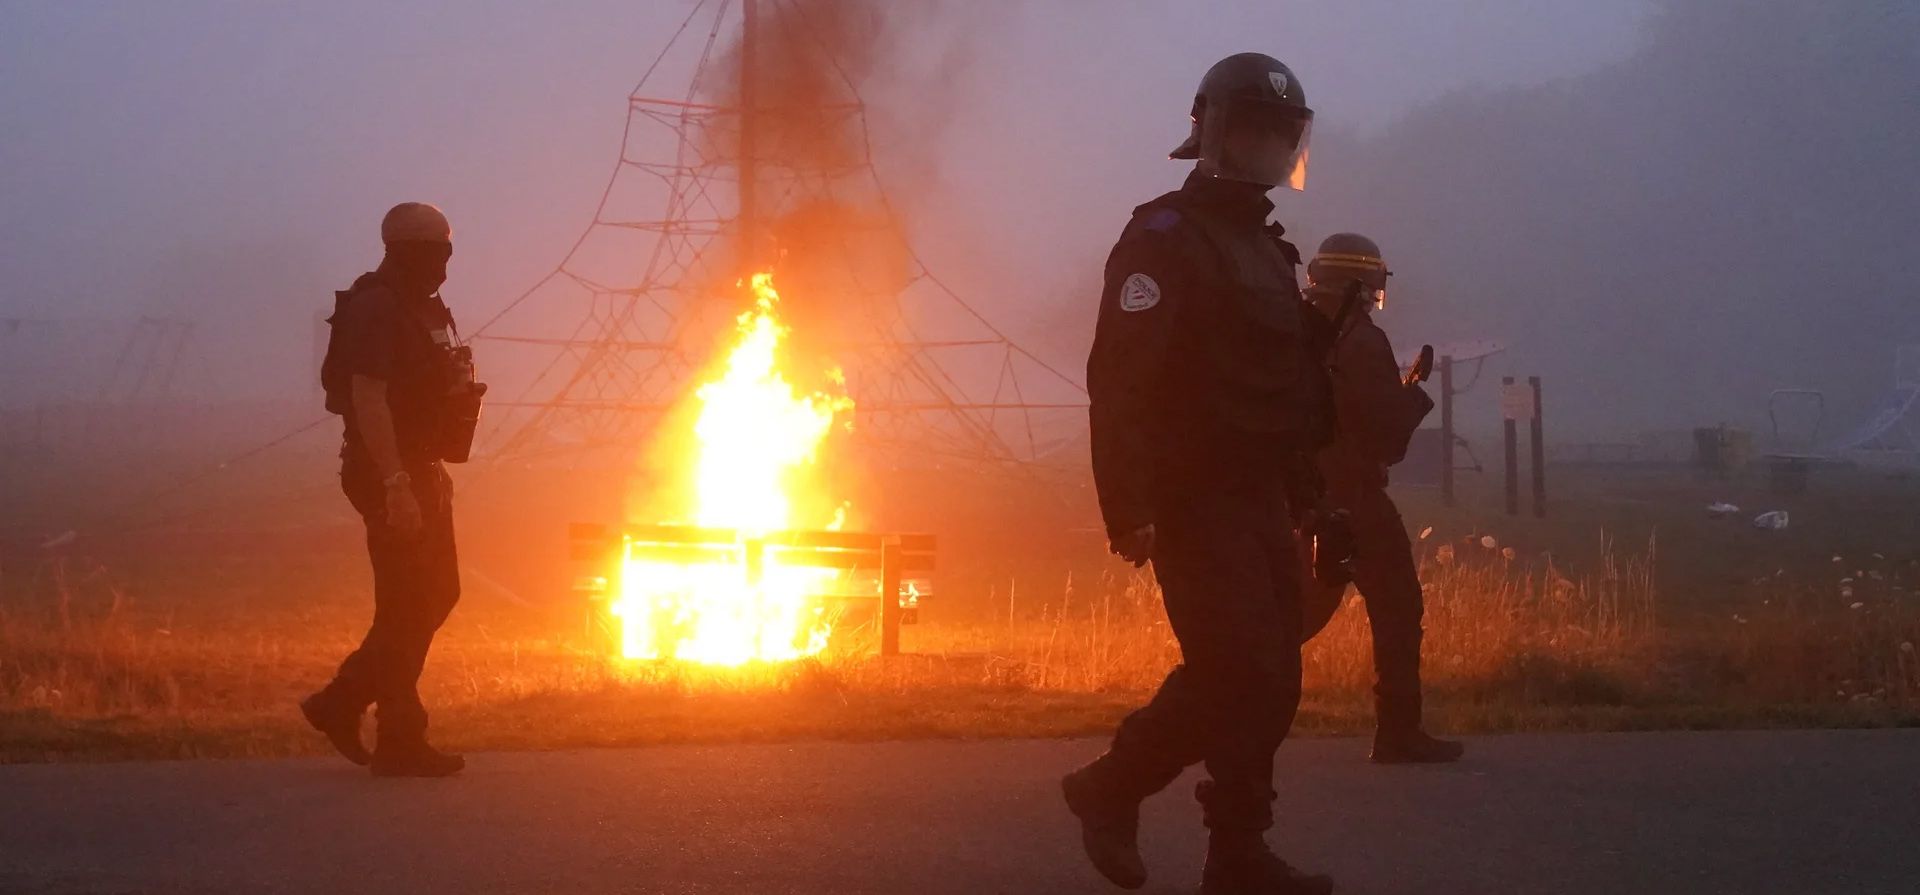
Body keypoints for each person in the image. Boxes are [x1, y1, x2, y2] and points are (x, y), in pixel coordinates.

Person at [1063, 53, 1335, 895]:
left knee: (1275, 673)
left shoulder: (1268, 248)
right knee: (1235, 666)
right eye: (1250, 130)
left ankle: (1239, 853)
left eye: (1278, 135)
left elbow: (1283, 382)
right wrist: (1127, 503)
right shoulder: (1162, 238)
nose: (1263, 150)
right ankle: (1112, 784)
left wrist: (1308, 496)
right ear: (1211, 132)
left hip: (1260, 495)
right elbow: (1121, 379)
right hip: (1191, 495)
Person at [301, 202, 482, 778]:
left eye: (447, 252)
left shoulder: (420, 306)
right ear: (404, 249)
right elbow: (368, 397)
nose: (444, 265)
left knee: (431, 597)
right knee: (410, 603)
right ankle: (358, 712)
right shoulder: (378, 308)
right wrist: (397, 484)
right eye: (433, 252)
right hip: (389, 472)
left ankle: (380, 722)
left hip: (423, 466)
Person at [1302, 233, 1462, 764]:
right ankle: (1398, 731)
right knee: (1397, 606)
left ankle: (1222, 707)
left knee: (1296, 616)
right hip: (1355, 496)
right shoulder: (1362, 339)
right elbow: (1385, 440)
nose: (1374, 297)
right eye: (1372, 288)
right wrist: (1413, 392)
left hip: (1296, 493)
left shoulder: (1287, 328)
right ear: (1362, 285)